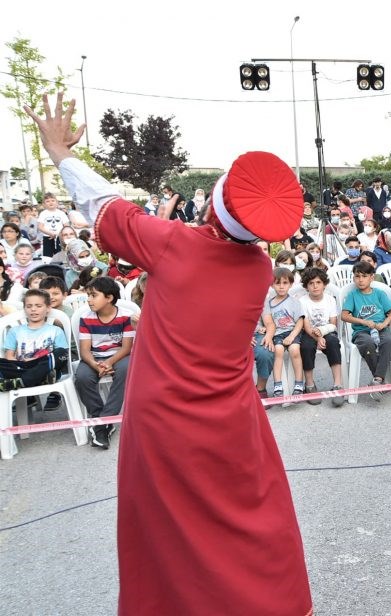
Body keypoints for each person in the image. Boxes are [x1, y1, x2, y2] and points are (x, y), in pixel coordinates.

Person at [26, 93, 314, 614]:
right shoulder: (258, 269)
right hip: (232, 415)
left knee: (165, 532)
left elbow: (105, 205)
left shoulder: (173, 244)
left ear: (213, 204)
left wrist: (60, 153)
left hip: (163, 418)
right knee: (247, 521)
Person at [74, 276, 133, 449]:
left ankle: (103, 422)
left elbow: (126, 348)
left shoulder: (126, 316)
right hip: (94, 357)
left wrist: (109, 362)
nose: (89, 300)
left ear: (109, 297)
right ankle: (101, 420)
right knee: (82, 378)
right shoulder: (86, 317)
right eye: (88, 295)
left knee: (126, 370)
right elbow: (85, 350)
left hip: (119, 356)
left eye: (94, 295)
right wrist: (95, 364)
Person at [340, 261, 391, 401]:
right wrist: (363, 322)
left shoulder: (379, 294)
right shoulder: (353, 295)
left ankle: (377, 380)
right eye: (357, 276)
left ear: (372, 277)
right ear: (353, 278)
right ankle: (380, 380)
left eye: (364, 276)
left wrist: (384, 323)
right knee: (367, 343)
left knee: (389, 341)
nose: (360, 280)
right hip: (361, 331)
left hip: (380, 328)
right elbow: (344, 316)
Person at [0, 289, 69, 389]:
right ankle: (36, 379)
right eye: (29, 306)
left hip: (45, 367)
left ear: (48, 308)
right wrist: (24, 364)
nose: (33, 309)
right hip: (22, 366)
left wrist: (37, 360)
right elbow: (9, 356)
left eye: (38, 306)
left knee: (61, 353)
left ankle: (23, 381)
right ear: (24, 308)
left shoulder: (56, 330)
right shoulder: (14, 331)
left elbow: (64, 356)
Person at [298, 267, 344, 406]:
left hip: (327, 331)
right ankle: (310, 385)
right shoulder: (302, 301)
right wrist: (318, 338)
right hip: (309, 333)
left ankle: (337, 385)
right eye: (311, 283)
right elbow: (306, 326)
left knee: (333, 343)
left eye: (318, 282)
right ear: (306, 286)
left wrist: (322, 333)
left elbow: (333, 323)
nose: (315, 286)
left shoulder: (330, 300)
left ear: (324, 284)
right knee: (306, 346)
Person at [262, 267, 305, 397]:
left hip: (292, 332)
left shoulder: (294, 302)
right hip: (278, 333)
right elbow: (269, 321)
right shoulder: (269, 303)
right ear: (272, 285)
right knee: (278, 351)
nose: (281, 286)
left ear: (291, 284)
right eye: (278, 283)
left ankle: (299, 383)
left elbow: (300, 321)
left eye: (285, 283)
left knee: (294, 350)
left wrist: (292, 336)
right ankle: (278, 385)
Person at [37, 192, 70, 257]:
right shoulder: (43, 214)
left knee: (61, 255)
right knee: (47, 256)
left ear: (57, 202)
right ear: (44, 204)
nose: (50, 202)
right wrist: (50, 233)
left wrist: (58, 234)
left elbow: (66, 226)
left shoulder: (61, 213)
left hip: (60, 238)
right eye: (47, 201)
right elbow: (40, 227)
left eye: (53, 200)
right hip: (47, 237)